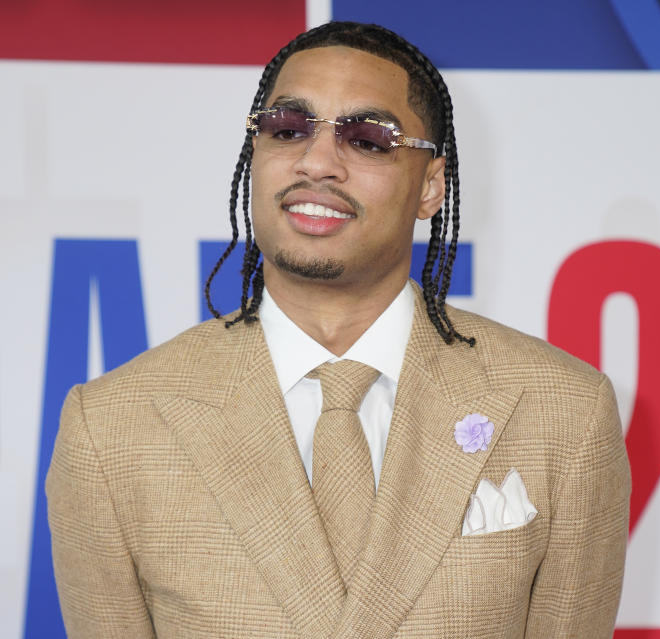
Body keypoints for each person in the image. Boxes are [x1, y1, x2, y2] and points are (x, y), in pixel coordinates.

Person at [46, 21, 630, 639]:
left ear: (431, 185)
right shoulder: (111, 429)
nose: (316, 162)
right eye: (288, 129)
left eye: (368, 140)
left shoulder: (564, 412)